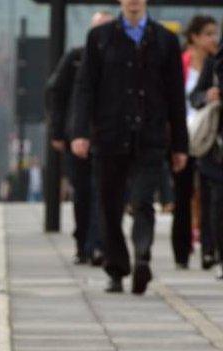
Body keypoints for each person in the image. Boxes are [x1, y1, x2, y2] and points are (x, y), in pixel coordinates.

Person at [72, 0, 189, 295]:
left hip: (150, 134)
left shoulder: (164, 39)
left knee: (142, 200)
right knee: (109, 205)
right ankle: (116, 268)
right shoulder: (99, 38)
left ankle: (142, 256)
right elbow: (85, 88)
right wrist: (80, 132)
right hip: (110, 134)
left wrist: (180, 145)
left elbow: (176, 96)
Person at [47, 10, 114, 266]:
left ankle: (98, 246)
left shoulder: (119, 60)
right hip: (76, 136)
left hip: (106, 137)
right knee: (83, 192)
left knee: (103, 192)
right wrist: (57, 131)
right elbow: (55, 93)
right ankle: (82, 243)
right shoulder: (75, 58)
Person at [176, 15, 220, 270]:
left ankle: (208, 248)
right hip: (183, 135)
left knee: (208, 193)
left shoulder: (216, 64)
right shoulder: (181, 62)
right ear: (194, 37)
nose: (212, 39)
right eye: (208, 34)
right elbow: (188, 96)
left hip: (207, 136)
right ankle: (182, 250)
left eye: (215, 33)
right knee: (183, 194)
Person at [190, 28, 223, 279]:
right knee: (216, 200)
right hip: (215, 142)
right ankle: (214, 251)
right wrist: (207, 96)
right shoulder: (213, 66)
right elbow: (195, 96)